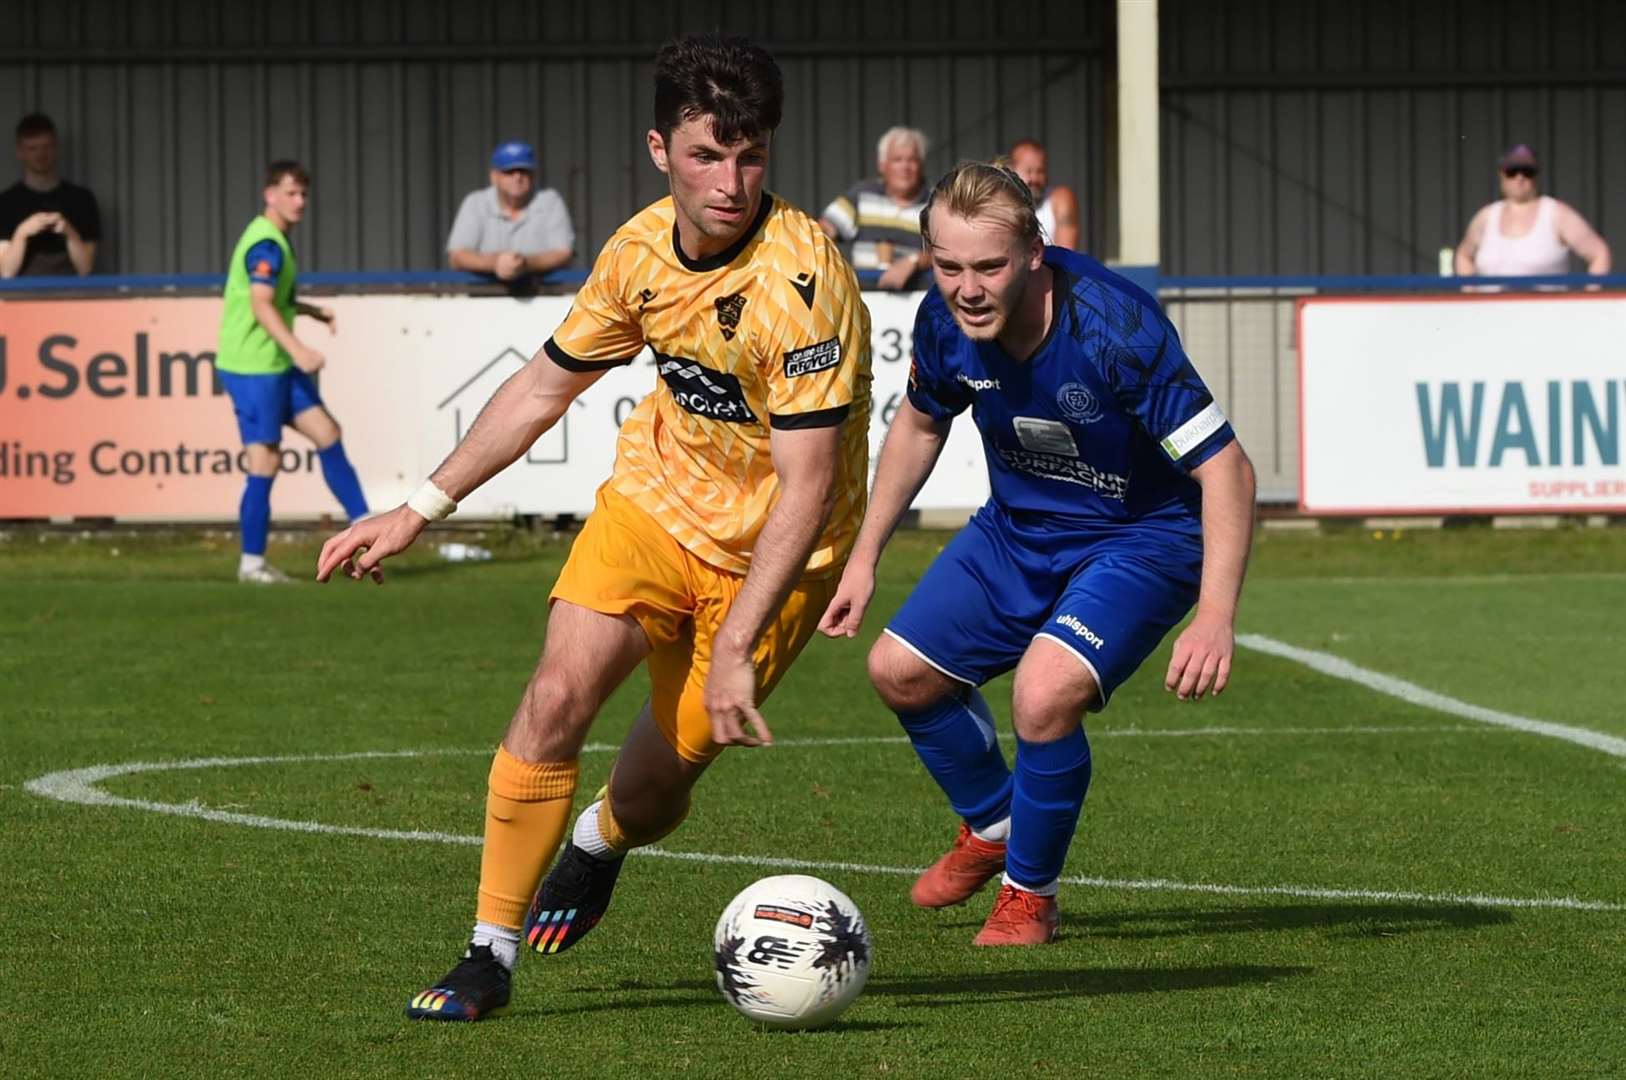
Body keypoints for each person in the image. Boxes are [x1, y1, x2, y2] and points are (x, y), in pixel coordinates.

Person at [317, 33, 872, 1022]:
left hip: (782, 557)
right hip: (654, 510)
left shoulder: (804, 283)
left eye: (751, 156)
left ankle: (601, 841)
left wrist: (738, 641)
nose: (730, 181)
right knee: (555, 695)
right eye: (707, 155)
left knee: (656, 794)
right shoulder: (635, 252)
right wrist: (418, 507)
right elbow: (541, 388)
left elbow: (804, 484)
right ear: (660, 150)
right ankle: (488, 952)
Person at [818, 161, 1255, 946]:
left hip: (1143, 536)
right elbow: (921, 425)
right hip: (1019, 527)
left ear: (1033, 253)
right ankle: (992, 823)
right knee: (897, 671)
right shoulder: (942, 321)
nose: (967, 287)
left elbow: (1225, 467)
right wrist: (863, 557)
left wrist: (1216, 614)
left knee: (1042, 695)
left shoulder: (1115, 327)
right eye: (948, 266)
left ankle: (1030, 895)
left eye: (988, 266)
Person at [216, 160, 369, 584]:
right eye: (291, 193)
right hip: (254, 368)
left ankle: (368, 531)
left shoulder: (275, 239)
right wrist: (300, 348)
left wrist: (311, 311)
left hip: (274, 364)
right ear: (270, 194)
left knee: (327, 433)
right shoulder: (265, 244)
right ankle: (251, 564)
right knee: (264, 461)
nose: (300, 201)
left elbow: (274, 298)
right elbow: (261, 302)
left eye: (304, 194)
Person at [1455, 144, 1610, 278]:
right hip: (1491, 309)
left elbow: (1599, 254)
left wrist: (1589, 297)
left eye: (1527, 171)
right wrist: (1470, 292)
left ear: (1536, 176)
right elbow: (1463, 256)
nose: (1519, 177)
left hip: (1546, 310)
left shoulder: (1556, 214)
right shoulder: (1486, 217)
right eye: (1512, 171)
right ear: (1502, 175)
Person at [819, 126, 932, 290]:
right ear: (882, 165)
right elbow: (824, 230)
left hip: (914, 302)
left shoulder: (934, 204)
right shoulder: (862, 195)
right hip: (862, 299)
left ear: (921, 165)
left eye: (912, 160)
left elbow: (947, 254)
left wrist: (914, 261)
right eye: (897, 160)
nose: (905, 167)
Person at [447, 140, 575, 281]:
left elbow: (564, 254)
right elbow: (457, 256)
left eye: (523, 171)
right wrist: (496, 262)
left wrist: (524, 263)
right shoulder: (475, 202)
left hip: (541, 296)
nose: (517, 177)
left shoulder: (550, 201)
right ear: (494, 176)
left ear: (533, 176)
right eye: (509, 171)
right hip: (483, 297)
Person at [0, 112, 101, 277]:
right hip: (20, 298)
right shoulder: (5, 203)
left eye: (46, 147)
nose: (40, 155)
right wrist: (22, 233)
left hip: (70, 296)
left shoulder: (82, 199)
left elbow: (85, 269)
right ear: (20, 152)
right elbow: (6, 272)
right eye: (32, 149)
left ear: (56, 148)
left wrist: (68, 231)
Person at [1009, 137, 1079, 250]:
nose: (1035, 178)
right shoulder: (1000, 203)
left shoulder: (1060, 199)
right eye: (1029, 171)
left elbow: (1066, 254)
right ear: (1012, 170)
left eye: (1040, 171)